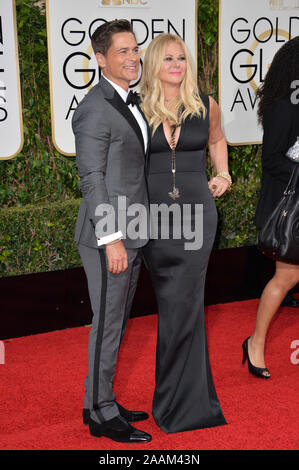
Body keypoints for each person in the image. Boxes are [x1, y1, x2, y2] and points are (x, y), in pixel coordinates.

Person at [140, 33, 229, 433]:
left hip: (198, 217)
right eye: (169, 58)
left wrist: (223, 172)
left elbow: (217, 139)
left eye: (182, 58)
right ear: (155, 63)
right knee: (172, 307)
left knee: (188, 306)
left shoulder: (204, 104)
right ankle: (173, 399)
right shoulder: (138, 108)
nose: (177, 64)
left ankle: (187, 405)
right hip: (154, 220)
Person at [72, 19, 152, 443]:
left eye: (135, 49)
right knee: (107, 323)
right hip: (111, 236)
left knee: (117, 322)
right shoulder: (93, 108)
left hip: (133, 229)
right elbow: (93, 179)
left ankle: (97, 399)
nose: (132, 57)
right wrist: (112, 238)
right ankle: (101, 415)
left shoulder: (127, 101)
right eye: (122, 51)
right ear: (101, 59)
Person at [243, 36, 299, 379]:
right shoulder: (283, 104)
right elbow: (272, 159)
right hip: (291, 205)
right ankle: (255, 343)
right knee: (286, 277)